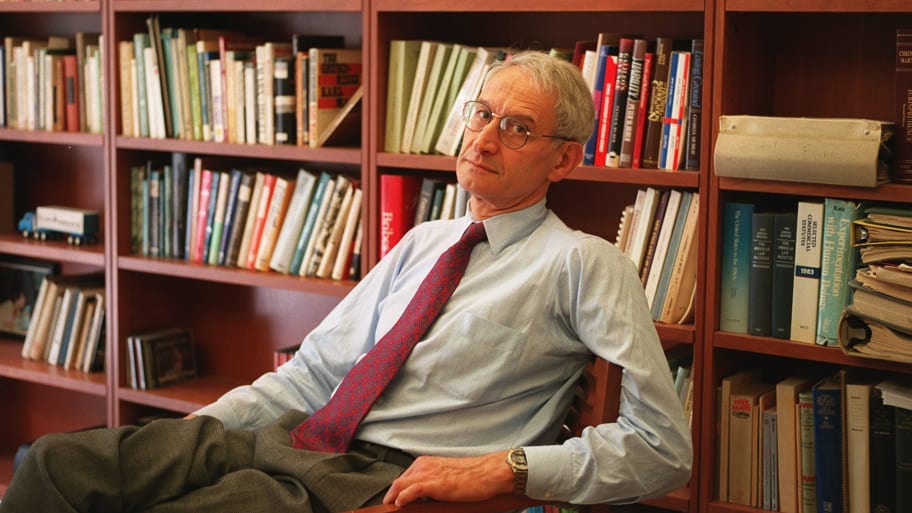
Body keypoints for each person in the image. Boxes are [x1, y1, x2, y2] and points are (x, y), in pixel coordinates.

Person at [0, 50, 691, 513]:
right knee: (53, 465)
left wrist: (509, 467)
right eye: (482, 114)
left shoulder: (583, 262)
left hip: (375, 480)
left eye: (516, 128)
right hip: (295, 436)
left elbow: (664, 449)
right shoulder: (427, 240)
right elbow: (311, 374)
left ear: (564, 159)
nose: (482, 140)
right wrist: (192, 439)